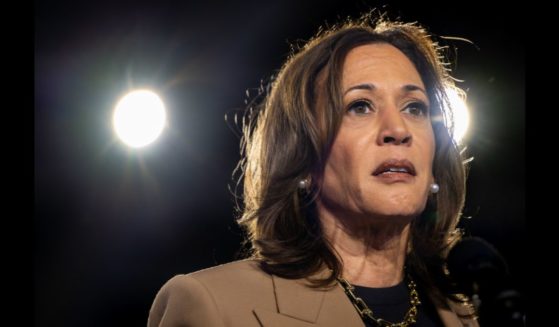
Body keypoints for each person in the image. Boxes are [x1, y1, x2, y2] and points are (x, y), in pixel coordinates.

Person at [148, 13, 479, 327]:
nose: (398, 129)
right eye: (360, 106)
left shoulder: (465, 314)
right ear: (304, 159)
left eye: (414, 107)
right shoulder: (213, 307)